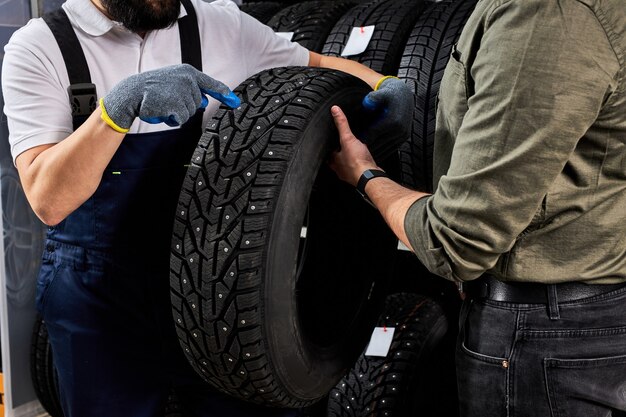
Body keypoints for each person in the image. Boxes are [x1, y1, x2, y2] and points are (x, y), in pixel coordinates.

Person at [1, 0, 413, 416]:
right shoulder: (41, 47)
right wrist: (113, 113)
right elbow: (48, 200)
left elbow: (318, 63)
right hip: (99, 300)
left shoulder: (220, 24)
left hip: (218, 289)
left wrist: (384, 84)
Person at [328, 0, 626, 415]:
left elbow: (454, 241)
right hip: (582, 317)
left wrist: (364, 174)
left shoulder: (547, 16)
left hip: (542, 337)